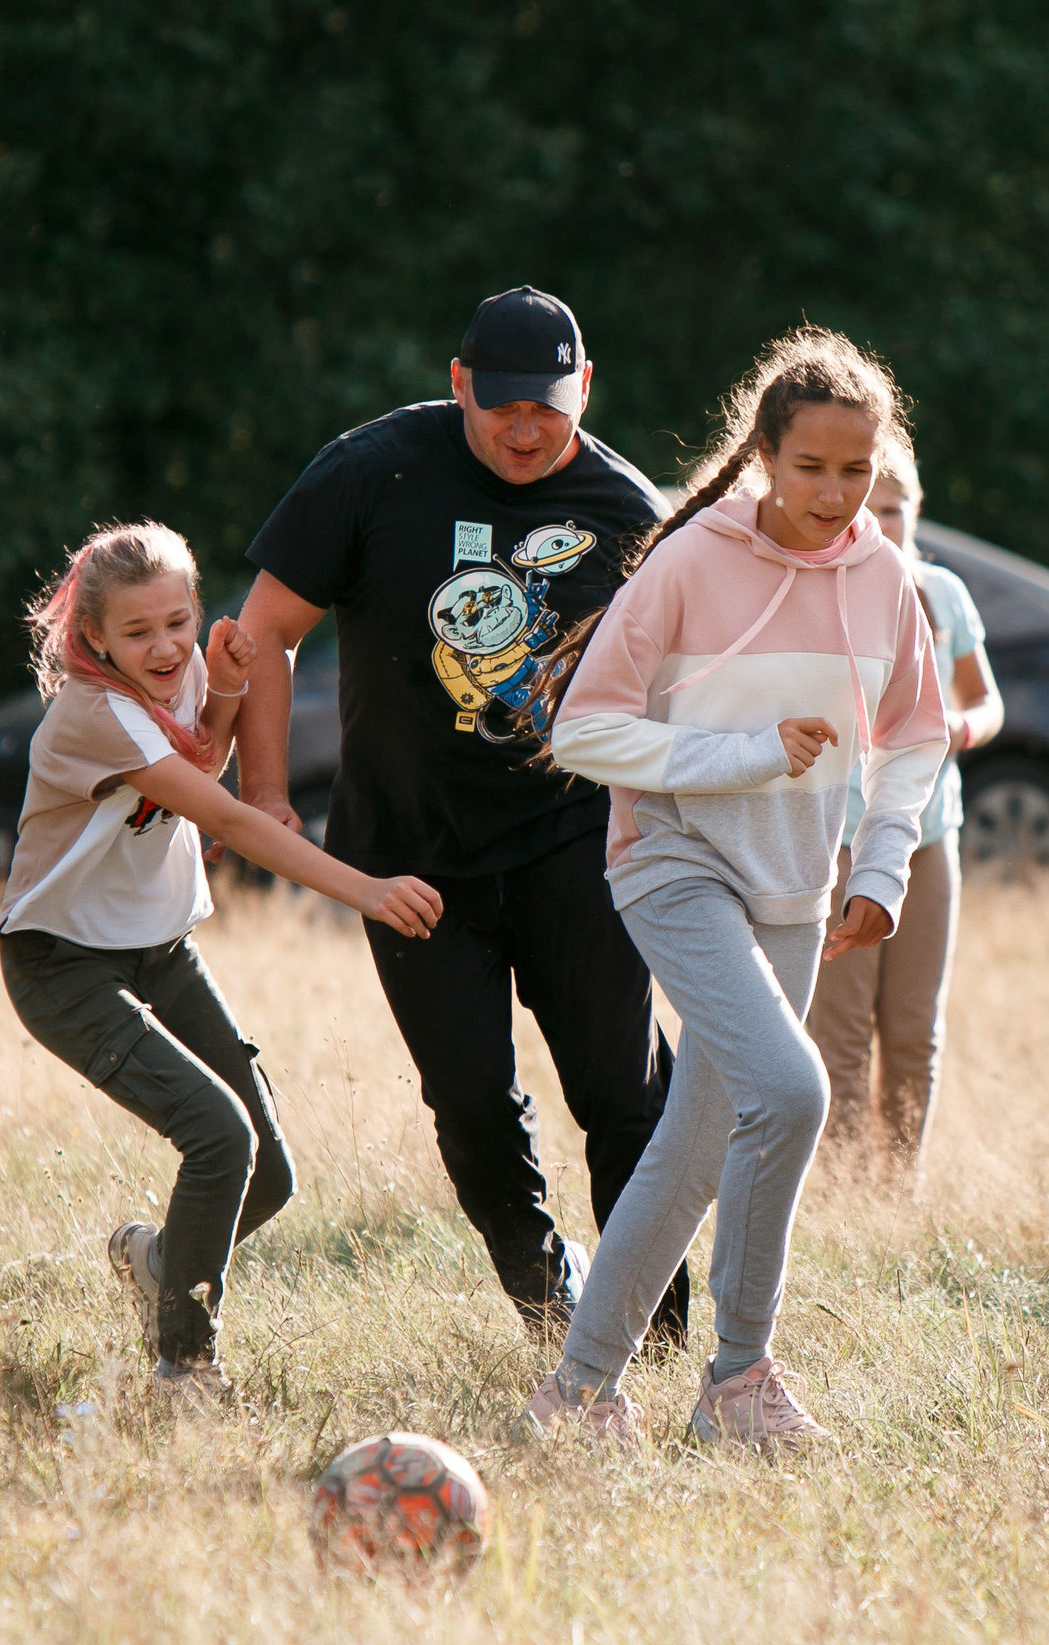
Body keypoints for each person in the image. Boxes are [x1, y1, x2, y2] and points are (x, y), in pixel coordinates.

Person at [515, 328, 948, 1454]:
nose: (834, 494)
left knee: (700, 1140)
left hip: (796, 885)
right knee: (793, 1094)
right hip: (670, 861)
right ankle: (738, 1381)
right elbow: (587, 731)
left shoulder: (884, 578)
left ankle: (577, 1396)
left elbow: (914, 739)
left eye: (856, 472)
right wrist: (750, 752)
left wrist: (885, 864)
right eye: (811, 468)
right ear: (763, 453)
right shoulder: (688, 564)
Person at [236, 286, 691, 1345]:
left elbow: (688, 683)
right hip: (409, 859)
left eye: (548, 408)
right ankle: (546, 1296)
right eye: (500, 408)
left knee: (621, 1097)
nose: (524, 430)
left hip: (574, 842)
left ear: (584, 389)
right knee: (472, 1102)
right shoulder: (371, 471)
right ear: (458, 387)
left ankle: (652, 1332)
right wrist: (263, 795)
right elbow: (262, 631)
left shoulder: (626, 511)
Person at [0, 521, 442, 1398]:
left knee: (269, 1172)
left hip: (159, 948)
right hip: (62, 966)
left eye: (177, 621)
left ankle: (158, 1265)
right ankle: (184, 1367)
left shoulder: (184, 668)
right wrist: (366, 890)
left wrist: (227, 691)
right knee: (218, 1135)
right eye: (137, 632)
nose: (164, 646)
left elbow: (200, 756)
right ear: (95, 639)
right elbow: (226, 816)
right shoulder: (94, 714)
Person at [806, 449, 1002, 1184]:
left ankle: (899, 1187)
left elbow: (987, 700)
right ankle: (844, 1188)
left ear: (916, 510)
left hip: (930, 835)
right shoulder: (827, 591)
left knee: (915, 1028)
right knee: (843, 1029)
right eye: (867, 509)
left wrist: (959, 727)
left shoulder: (942, 593)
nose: (880, 523)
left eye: (893, 508)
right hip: (845, 842)